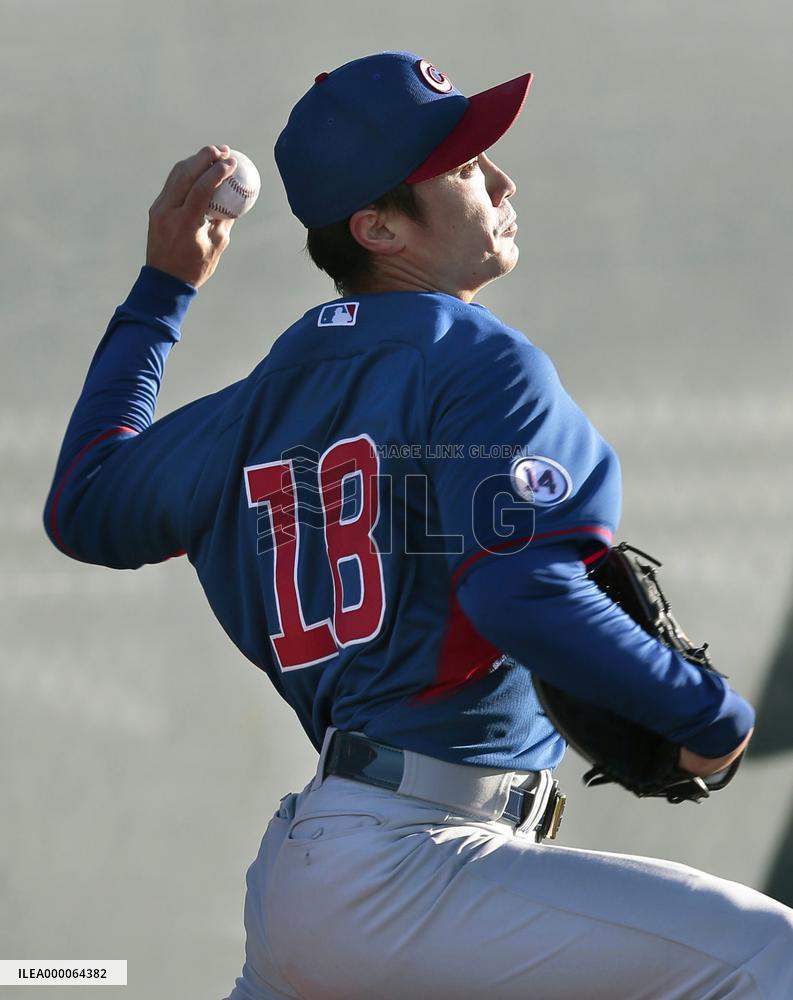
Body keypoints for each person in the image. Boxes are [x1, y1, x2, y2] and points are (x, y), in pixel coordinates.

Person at [43, 50, 792, 999]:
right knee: (769, 955)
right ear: (380, 227)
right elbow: (519, 590)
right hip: (417, 870)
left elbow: (85, 503)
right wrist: (707, 716)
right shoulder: (479, 364)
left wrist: (163, 292)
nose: (502, 181)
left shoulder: (245, 412)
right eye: (466, 166)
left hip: (326, 874)